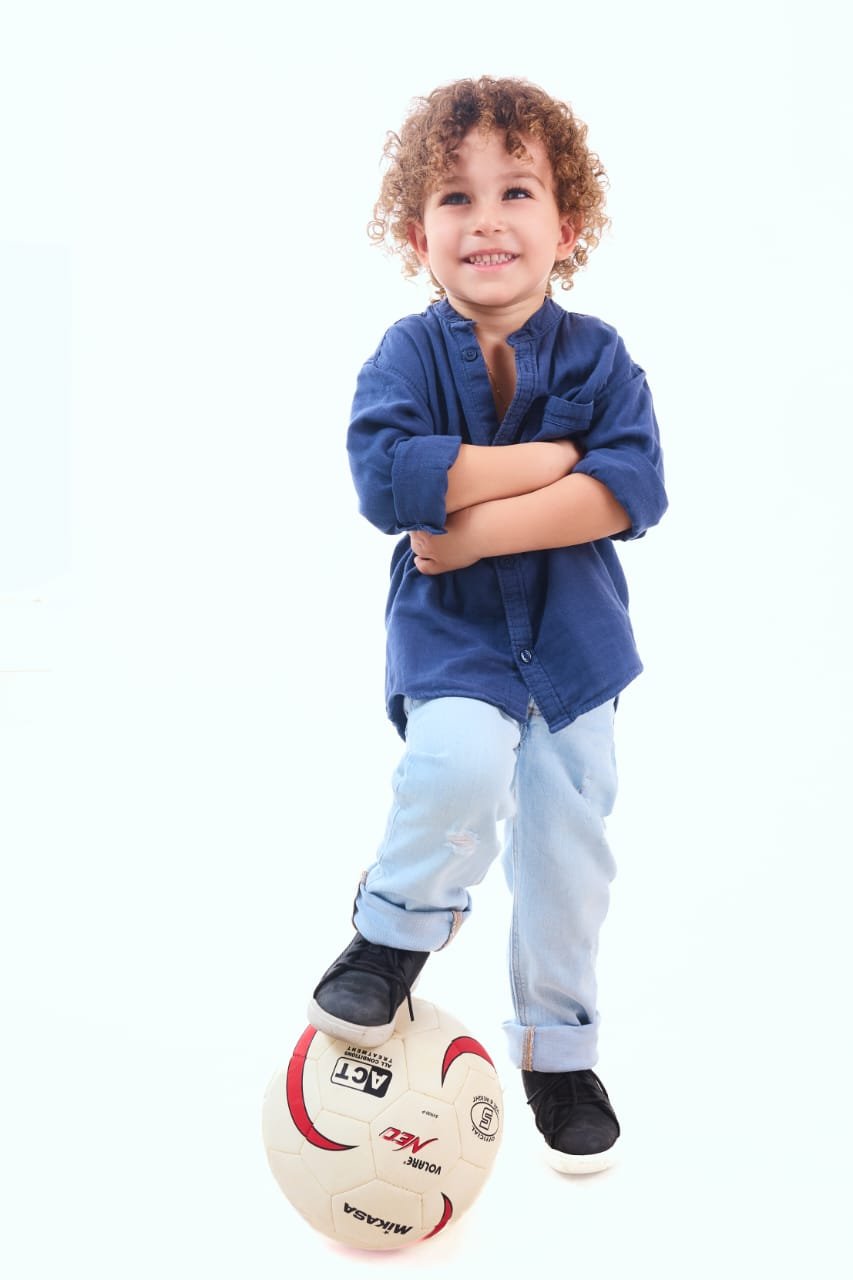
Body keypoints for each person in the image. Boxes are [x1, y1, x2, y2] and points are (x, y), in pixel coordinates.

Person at [307, 76, 667, 1174]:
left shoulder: (601, 357)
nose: (487, 220)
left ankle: (558, 1051)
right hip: (454, 637)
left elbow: (627, 491)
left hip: (575, 645)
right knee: (455, 765)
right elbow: (389, 479)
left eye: (517, 191)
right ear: (417, 235)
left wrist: (471, 528)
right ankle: (391, 933)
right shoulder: (406, 356)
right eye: (455, 199)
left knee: (568, 854)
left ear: (569, 224)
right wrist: (549, 460)